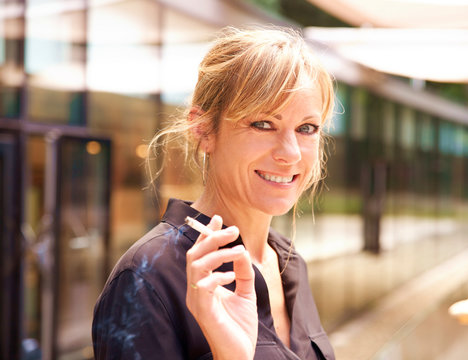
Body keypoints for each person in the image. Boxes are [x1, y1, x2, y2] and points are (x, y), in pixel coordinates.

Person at [92, 26, 336, 360]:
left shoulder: (288, 263)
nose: (291, 153)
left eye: (306, 128)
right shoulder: (148, 279)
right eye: (263, 124)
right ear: (204, 130)